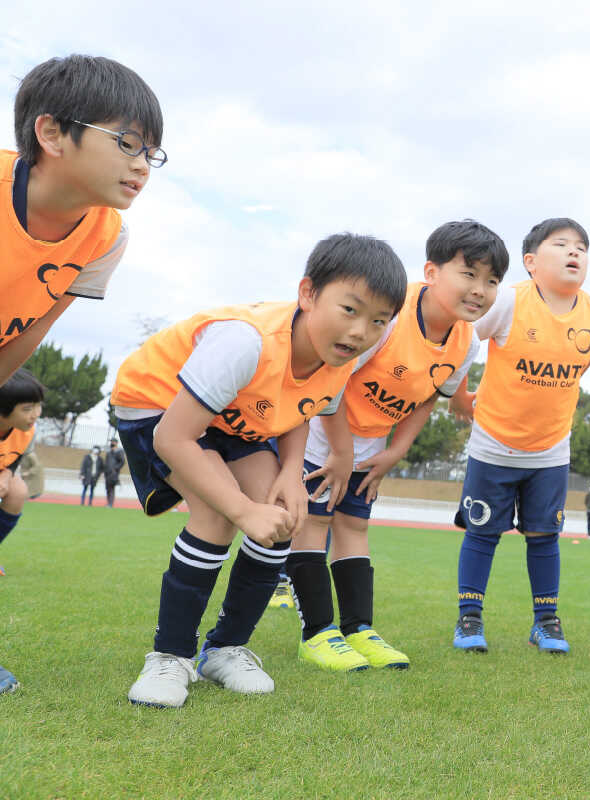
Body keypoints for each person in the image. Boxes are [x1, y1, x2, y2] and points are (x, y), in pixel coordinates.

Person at [111, 232, 404, 708]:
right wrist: (244, 510)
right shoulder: (244, 342)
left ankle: (225, 648)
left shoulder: (340, 356)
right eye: (350, 310)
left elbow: (300, 405)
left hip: (237, 419)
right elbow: (172, 437)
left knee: (285, 514)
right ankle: (170, 656)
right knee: (218, 515)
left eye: (378, 321)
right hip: (160, 407)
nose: (360, 332)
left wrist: (291, 470)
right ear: (308, 294)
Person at [0, 55, 162, 698]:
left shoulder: (105, 236)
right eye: (127, 143)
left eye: (152, 151)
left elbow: (30, 329)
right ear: (50, 133)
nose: (143, 165)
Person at [282, 220, 502, 674]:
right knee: (314, 523)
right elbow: (330, 380)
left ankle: (359, 628)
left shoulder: (464, 342)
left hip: (370, 446)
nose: (480, 289)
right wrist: (340, 454)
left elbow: (428, 399)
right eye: (469, 274)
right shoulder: (388, 315)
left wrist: (396, 450)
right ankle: (318, 633)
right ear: (432, 271)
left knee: (354, 530)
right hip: (323, 434)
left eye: (492, 281)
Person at [451, 218, 590, 655]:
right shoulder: (509, 302)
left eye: (581, 246)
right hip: (493, 445)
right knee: (482, 534)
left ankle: (546, 622)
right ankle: (469, 618)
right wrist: (460, 397)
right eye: (561, 244)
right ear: (531, 262)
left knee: (545, 538)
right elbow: (463, 338)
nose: (574, 252)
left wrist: (566, 385)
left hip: (551, 452)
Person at [0, 370, 43, 694]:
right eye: (27, 408)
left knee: (17, 490)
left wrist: (6, 472)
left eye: (37, 406)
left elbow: (12, 459)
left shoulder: (24, 432)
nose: (35, 415)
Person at [100, 437, 125, 506]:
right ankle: (108, 502)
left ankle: (110, 503)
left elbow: (122, 461)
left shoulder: (119, 451)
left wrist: (115, 468)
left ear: (116, 443)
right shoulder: (109, 452)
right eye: (111, 442)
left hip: (113, 473)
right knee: (107, 488)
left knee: (111, 488)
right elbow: (106, 462)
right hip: (107, 473)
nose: (111, 443)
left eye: (113, 442)